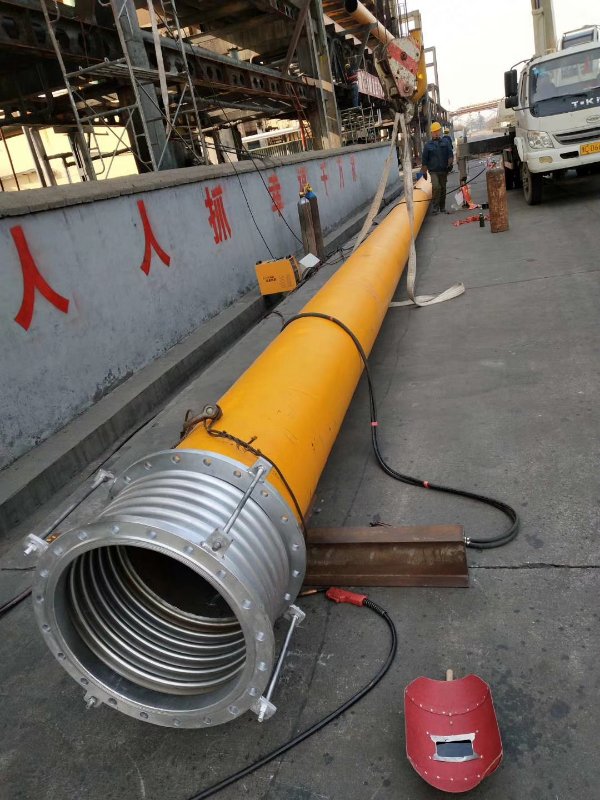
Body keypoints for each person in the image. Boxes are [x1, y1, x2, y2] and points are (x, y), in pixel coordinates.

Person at [421, 121, 453, 214]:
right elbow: (424, 159)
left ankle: (442, 207)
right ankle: (435, 207)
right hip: (433, 171)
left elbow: (450, 154)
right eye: (434, 132)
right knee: (436, 187)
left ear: (440, 131)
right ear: (431, 133)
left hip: (443, 170)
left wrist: (450, 164)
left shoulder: (446, 142)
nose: (436, 133)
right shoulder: (428, 145)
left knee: (443, 188)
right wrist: (424, 171)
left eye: (437, 131)